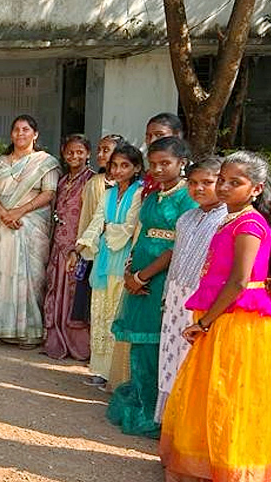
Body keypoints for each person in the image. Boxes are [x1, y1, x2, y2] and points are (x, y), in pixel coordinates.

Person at [159, 151, 271, 482]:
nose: (224, 187)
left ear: (256, 189)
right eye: (223, 180)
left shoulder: (248, 224)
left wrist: (205, 323)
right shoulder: (230, 219)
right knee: (210, 388)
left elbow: (239, 281)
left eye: (236, 182)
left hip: (237, 319)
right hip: (222, 314)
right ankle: (206, 460)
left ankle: (233, 465)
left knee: (230, 390)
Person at [107, 136, 195, 438]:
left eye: (165, 164)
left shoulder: (188, 198)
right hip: (140, 270)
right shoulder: (154, 194)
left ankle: (156, 411)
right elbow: (144, 235)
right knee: (140, 346)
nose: (157, 169)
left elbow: (178, 247)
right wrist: (131, 269)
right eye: (153, 164)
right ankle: (145, 400)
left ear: (181, 163)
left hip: (162, 279)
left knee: (156, 345)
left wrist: (142, 277)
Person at [154, 156, 225, 423]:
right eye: (193, 183)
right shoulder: (186, 218)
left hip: (203, 300)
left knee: (193, 362)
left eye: (208, 182)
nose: (199, 188)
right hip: (175, 297)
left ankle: (191, 426)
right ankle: (171, 422)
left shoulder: (226, 220)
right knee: (171, 358)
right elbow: (176, 259)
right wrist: (166, 296)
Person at [0, 114, 61, 347]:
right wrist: (3, 214)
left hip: (31, 224)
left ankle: (30, 331)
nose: (20, 133)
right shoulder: (0, 162)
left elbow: (49, 193)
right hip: (3, 223)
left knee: (31, 277)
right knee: (2, 272)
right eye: (16, 129)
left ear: (35, 134)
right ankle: (2, 328)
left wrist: (18, 212)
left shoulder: (45, 162)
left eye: (26, 129)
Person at [76, 142, 144, 388]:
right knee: (100, 311)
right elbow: (97, 220)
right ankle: (100, 370)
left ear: (136, 168)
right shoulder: (108, 193)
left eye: (124, 165)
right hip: (104, 258)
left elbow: (130, 227)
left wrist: (106, 229)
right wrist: (84, 243)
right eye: (114, 165)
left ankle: (117, 373)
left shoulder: (139, 193)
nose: (118, 170)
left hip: (124, 258)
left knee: (117, 311)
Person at [42, 134, 96, 360]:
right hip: (59, 245)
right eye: (70, 152)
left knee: (75, 294)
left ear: (88, 154)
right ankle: (56, 340)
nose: (75, 156)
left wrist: (81, 245)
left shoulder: (93, 181)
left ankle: (78, 346)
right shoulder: (62, 181)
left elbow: (94, 215)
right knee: (56, 289)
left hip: (78, 246)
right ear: (64, 154)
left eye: (79, 152)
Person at [69, 134, 125, 337]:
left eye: (106, 150)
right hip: (96, 249)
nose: (101, 154)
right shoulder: (95, 183)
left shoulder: (135, 187)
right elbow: (88, 219)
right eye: (99, 149)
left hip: (121, 252)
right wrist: (81, 248)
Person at [141, 113, 183, 196]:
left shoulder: (193, 176)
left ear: (177, 135)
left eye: (159, 135)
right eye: (149, 136)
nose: (152, 140)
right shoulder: (148, 174)